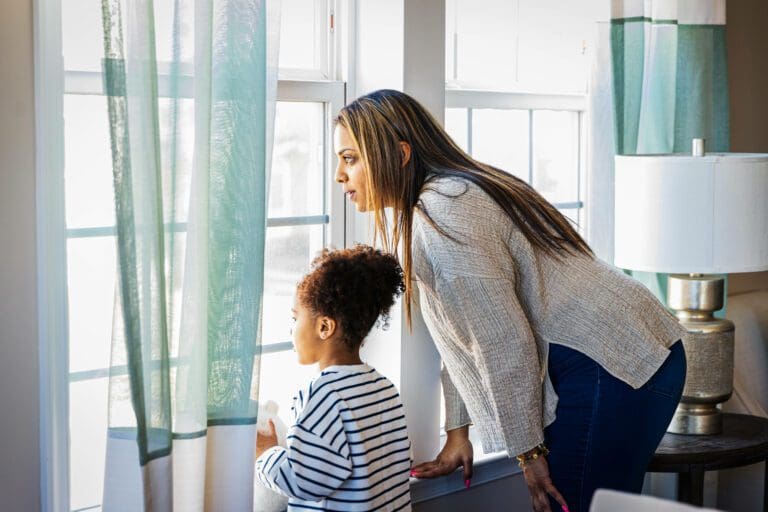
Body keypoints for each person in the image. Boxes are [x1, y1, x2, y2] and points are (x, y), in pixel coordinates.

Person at [332, 89, 687, 512]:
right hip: (635, 350)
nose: (339, 175)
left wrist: (529, 454)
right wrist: (458, 430)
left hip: (609, 362)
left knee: (566, 504)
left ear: (401, 153)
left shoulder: (445, 208)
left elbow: (501, 340)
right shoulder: (451, 192)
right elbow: (463, 331)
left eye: (350, 158)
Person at [254, 245, 412, 511]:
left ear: (325, 327)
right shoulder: (385, 389)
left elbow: (305, 481)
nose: (291, 329)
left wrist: (266, 454)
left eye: (295, 318)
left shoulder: (323, 394)